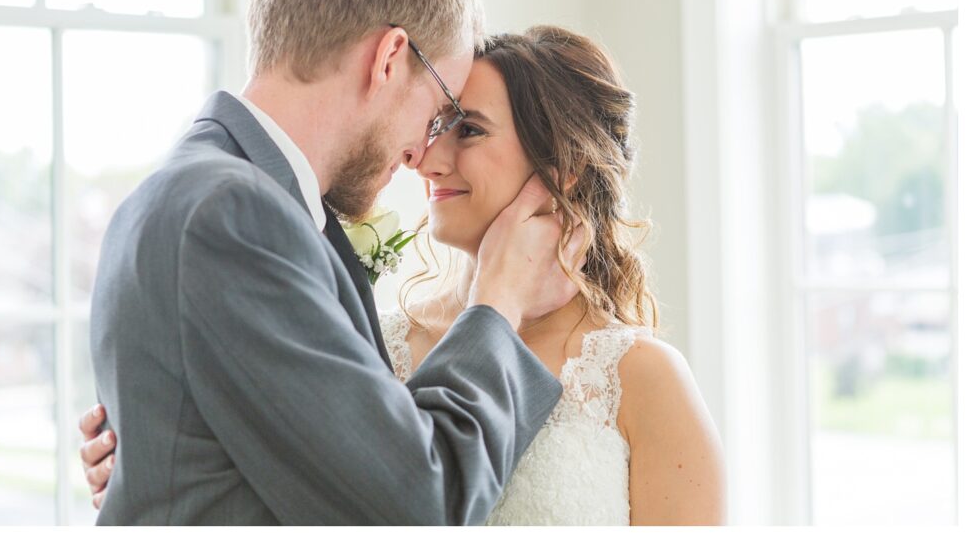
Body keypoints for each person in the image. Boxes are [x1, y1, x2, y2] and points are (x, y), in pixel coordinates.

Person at [83, 26, 727, 524]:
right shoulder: (373, 342)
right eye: (436, 124)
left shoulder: (639, 376)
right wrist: (157, 452)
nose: (428, 158)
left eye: (467, 130)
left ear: (564, 169)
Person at [85, 0, 585, 525]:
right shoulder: (231, 217)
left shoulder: (198, 192)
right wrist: (499, 300)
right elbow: (417, 505)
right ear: (389, 57)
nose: (421, 153)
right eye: (438, 114)